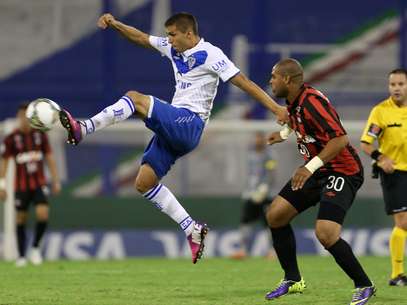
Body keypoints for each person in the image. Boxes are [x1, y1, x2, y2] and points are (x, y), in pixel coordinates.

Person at [58, 12, 287, 264]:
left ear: (189, 34)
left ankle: (83, 128)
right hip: (175, 124)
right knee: (144, 182)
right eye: (168, 35)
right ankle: (191, 228)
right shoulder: (173, 48)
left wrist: (276, 108)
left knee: (134, 98)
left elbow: (244, 82)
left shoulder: (212, 54)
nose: (169, 40)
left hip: (190, 123)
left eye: (173, 34)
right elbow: (142, 38)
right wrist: (115, 24)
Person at [264, 58, 375, 305]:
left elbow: (340, 140)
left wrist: (308, 167)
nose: (270, 81)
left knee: (325, 233)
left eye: (274, 77)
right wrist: (283, 134)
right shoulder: (294, 100)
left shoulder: (312, 101)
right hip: (317, 170)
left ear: (287, 80)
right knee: (276, 215)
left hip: (342, 170)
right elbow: (300, 122)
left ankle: (364, 284)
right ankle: (293, 279)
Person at [360, 68, 407, 286]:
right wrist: (381, 158)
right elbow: (366, 144)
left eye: (401, 84)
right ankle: (397, 274)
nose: (396, 88)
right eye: (393, 84)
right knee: (403, 222)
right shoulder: (380, 111)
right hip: (394, 172)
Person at [0, 103, 61, 266]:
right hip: (20, 186)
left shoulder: (40, 135)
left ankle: (34, 249)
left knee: (43, 214)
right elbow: (4, 162)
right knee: (20, 219)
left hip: (39, 183)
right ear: (18, 117)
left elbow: (49, 158)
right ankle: (21, 256)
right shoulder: (11, 138)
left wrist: (55, 180)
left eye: (25, 117)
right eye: (20, 116)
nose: (23, 120)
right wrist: (2, 184)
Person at [231, 132, 276, 259]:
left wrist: (264, 188)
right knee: (246, 221)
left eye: (259, 139)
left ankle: (272, 251)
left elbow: (271, 173)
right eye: (256, 138)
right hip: (251, 194)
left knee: (268, 223)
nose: (257, 141)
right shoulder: (250, 154)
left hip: (266, 194)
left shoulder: (269, 155)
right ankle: (242, 249)